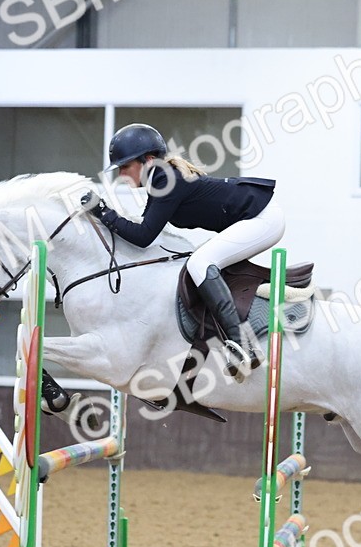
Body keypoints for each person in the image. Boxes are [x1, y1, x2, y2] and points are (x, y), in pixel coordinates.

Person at [81, 123, 283, 378]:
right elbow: (144, 229)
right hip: (256, 217)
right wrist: (105, 214)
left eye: (125, 166)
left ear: (149, 160)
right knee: (199, 261)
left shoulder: (167, 179)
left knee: (200, 264)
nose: (121, 174)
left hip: (262, 219)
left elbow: (143, 236)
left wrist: (102, 212)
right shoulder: (162, 179)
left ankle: (243, 343)